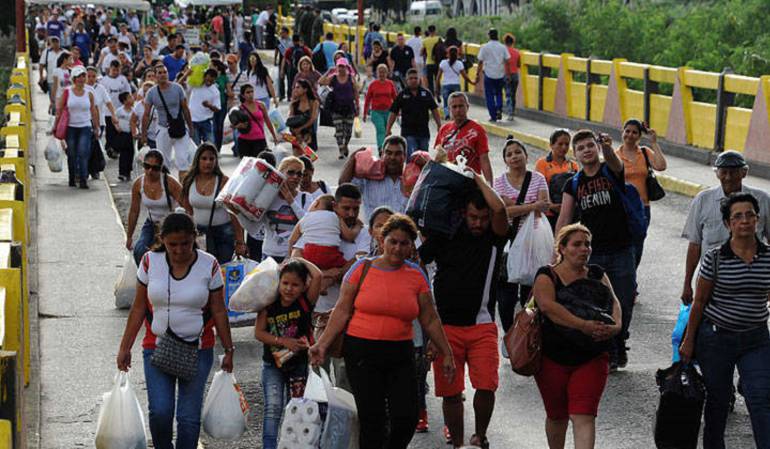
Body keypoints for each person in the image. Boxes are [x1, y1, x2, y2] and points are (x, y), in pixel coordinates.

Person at [310, 214, 456, 449]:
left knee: (406, 418)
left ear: (411, 246)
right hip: (361, 352)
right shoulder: (361, 268)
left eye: (404, 243)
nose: (398, 248)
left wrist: (447, 352)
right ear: (381, 240)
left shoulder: (416, 275)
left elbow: (429, 318)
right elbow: (341, 311)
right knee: (372, 419)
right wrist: (322, 344)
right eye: (393, 241)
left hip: (400, 353)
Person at [116, 212, 235, 449]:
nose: (179, 250)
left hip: (198, 350)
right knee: (160, 411)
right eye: (172, 245)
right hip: (156, 347)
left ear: (195, 238)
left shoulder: (208, 264)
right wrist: (124, 348)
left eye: (185, 244)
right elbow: (139, 308)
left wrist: (229, 349)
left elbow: (219, 310)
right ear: (162, 240)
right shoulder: (150, 261)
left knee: (188, 417)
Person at [419, 175, 509, 449]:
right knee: (451, 393)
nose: (478, 223)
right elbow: (416, 263)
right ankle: (458, 445)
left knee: (486, 386)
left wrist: (477, 179)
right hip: (445, 328)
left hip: (481, 324)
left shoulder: (494, 236)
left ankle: (480, 436)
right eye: (473, 217)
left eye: (482, 217)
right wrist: (428, 320)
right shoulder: (444, 233)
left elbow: (501, 210)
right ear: (464, 213)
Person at [679, 192, 770, 449]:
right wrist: (688, 341)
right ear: (728, 224)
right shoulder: (716, 257)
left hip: (756, 339)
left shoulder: (767, 257)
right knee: (718, 402)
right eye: (737, 216)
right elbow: (699, 302)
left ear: (758, 220)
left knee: (760, 397)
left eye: (750, 215)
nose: (745, 221)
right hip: (716, 339)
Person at [532, 223, 622, 449]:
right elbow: (547, 306)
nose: (584, 249)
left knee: (584, 415)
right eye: (577, 244)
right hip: (552, 358)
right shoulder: (547, 275)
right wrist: (583, 325)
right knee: (557, 415)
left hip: (592, 357)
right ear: (562, 248)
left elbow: (614, 302)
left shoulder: (597, 274)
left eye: (587, 244)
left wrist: (616, 326)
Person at [556, 130, 636, 371]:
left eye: (590, 146)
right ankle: (609, 348)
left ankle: (620, 339)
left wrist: (608, 147)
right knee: (599, 303)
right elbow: (565, 218)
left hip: (622, 249)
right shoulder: (573, 184)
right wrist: (558, 250)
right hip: (592, 254)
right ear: (575, 154)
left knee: (624, 300)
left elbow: (615, 162)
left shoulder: (610, 171)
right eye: (581, 148)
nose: (587, 150)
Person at [292, 183, 370, 392]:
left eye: (356, 208)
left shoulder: (362, 232)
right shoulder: (319, 223)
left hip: (348, 314)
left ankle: (344, 421)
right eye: (346, 208)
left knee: (345, 376)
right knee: (317, 373)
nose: (352, 213)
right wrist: (328, 274)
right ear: (335, 206)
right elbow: (296, 258)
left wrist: (324, 275)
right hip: (317, 311)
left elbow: (357, 266)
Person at [681, 150, 770, 304]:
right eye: (724, 172)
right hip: (711, 281)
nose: (728, 177)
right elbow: (695, 245)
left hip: (751, 281)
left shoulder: (762, 200)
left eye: (734, 172)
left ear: (744, 173)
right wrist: (687, 284)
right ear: (717, 173)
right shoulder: (703, 200)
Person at [255, 258, 323, 449]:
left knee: (296, 410)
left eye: (295, 285)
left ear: (303, 287)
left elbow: (317, 275)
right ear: (279, 282)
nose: (289, 289)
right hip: (272, 365)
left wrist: (297, 259)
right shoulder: (270, 303)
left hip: (298, 366)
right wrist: (283, 341)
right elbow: (259, 333)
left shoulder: (305, 302)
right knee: (272, 409)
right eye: (285, 283)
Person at [493, 137, 550, 331]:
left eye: (518, 152)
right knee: (506, 295)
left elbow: (544, 206)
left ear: (526, 155)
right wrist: (531, 206)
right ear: (505, 160)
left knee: (530, 294)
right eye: (509, 154)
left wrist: (514, 205)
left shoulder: (538, 178)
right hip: (507, 243)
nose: (514, 156)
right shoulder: (499, 182)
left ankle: (527, 334)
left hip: (533, 243)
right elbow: (501, 212)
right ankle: (510, 334)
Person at [180, 143, 246, 264]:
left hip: (223, 234)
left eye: (212, 159)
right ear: (197, 160)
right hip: (199, 234)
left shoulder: (223, 181)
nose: (208, 162)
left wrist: (240, 241)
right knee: (202, 269)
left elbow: (235, 213)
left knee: (222, 269)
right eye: (204, 158)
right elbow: (187, 211)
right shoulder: (189, 180)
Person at [615, 119, 667, 268]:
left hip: (642, 208)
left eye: (634, 132)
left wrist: (654, 142)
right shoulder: (615, 155)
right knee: (622, 245)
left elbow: (661, 166)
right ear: (622, 132)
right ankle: (624, 278)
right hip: (621, 208)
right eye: (627, 131)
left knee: (637, 245)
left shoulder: (644, 152)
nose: (630, 135)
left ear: (639, 136)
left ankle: (631, 276)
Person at [243, 157, 306, 263]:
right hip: (270, 255)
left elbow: (308, 224)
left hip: (295, 256)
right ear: (280, 173)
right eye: (291, 172)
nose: (295, 177)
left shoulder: (305, 198)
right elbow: (253, 229)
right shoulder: (268, 198)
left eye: (299, 174)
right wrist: (238, 213)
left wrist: (291, 201)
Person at [126, 150, 183, 265]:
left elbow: (186, 206)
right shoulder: (138, 184)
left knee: (168, 254)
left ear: (161, 168)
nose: (150, 171)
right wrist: (129, 236)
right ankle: (144, 278)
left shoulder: (170, 183)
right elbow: (134, 211)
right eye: (146, 166)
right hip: (151, 223)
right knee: (139, 250)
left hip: (170, 224)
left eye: (155, 168)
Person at [141, 64, 195, 179]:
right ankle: (166, 188)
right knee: (163, 163)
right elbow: (146, 115)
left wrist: (190, 127)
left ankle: (183, 191)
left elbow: (185, 109)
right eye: (159, 73)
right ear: (155, 76)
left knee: (183, 161)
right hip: (163, 129)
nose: (163, 75)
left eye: (164, 72)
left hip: (180, 128)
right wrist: (144, 134)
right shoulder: (151, 93)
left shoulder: (177, 88)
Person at [52, 65, 101, 189]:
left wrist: (96, 127)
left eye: (83, 76)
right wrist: (55, 125)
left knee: (83, 152)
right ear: (74, 78)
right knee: (72, 153)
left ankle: (83, 179)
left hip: (85, 126)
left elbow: (94, 110)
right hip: (71, 127)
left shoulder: (89, 93)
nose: (81, 79)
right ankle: (72, 177)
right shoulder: (67, 92)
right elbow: (60, 109)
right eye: (78, 77)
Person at [288, 195, 363, 273]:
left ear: (316, 203)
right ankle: (331, 274)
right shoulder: (337, 217)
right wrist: (358, 226)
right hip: (330, 254)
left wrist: (290, 257)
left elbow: (292, 240)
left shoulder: (305, 217)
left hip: (309, 253)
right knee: (344, 268)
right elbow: (349, 236)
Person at [340, 135, 410, 219]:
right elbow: (343, 186)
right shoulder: (368, 177)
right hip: (373, 231)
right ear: (382, 155)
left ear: (405, 156)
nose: (392, 157)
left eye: (398, 153)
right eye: (388, 153)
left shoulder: (413, 180)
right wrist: (353, 157)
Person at [435, 92, 493, 182]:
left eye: (461, 106)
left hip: (469, 182)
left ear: (467, 107)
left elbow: (484, 160)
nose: (458, 110)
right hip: (446, 183)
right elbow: (437, 159)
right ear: (449, 109)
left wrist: (490, 186)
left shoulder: (478, 130)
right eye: (454, 107)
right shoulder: (444, 130)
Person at [386, 68, 441, 158]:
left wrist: (439, 125)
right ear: (406, 80)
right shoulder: (402, 95)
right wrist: (388, 129)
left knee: (423, 158)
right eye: (411, 78)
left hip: (423, 133)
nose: (413, 80)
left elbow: (434, 110)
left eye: (415, 78)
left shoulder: (426, 93)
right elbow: (393, 112)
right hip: (408, 133)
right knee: (412, 156)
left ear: (419, 79)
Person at [536, 129, 579, 230]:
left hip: (570, 214)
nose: (564, 147)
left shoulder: (573, 165)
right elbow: (541, 187)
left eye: (566, 144)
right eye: (560, 144)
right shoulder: (542, 163)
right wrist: (552, 206)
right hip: (549, 215)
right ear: (551, 145)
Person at [319, 60, 359, 159]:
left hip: (349, 108)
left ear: (346, 67)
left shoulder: (351, 78)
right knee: (339, 130)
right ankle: (341, 150)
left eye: (343, 66)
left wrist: (357, 105)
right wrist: (328, 71)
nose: (341, 68)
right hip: (336, 108)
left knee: (348, 132)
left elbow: (356, 91)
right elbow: (320, 82)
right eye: (339, 66)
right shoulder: (333, 78)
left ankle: (345, 145)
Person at [235, 84, 278, 158]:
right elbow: (233, 124)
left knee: (260, 165)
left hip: (259, 140)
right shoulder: (240, 109)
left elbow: (268, 121)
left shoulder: (261, 105)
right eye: (248, 92)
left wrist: (274, 136)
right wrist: (238, 126)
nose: (251, 94)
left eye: (252, 92)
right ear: (243, 95)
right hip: (244, 141)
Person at [476, 29, 510, 122]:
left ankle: (493, 115)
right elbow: (507, 61)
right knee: (499, 93)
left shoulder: (485, 47)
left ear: (489, 36)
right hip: (500, 74)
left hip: (488, 74)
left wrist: (477, 74)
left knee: (489, 95)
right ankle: (499, 108)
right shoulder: (503, 47)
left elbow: (480, 61)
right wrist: (508, 74)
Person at [363, 64, 398, 150]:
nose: (382, 74)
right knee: (381, 129)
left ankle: (388, 148)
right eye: (380, 72)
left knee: (387, 131)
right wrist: (364, 113)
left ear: (387, 73)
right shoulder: (373, 84)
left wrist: (398, 111)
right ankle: (381, 147)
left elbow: (395, 98)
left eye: (384, 72)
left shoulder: (390, 84)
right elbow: (367, 100)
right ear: (377, 73)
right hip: (376, 112)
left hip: (388, 112)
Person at [436, 46, 474, 120]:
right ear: (457, 54)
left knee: (446, 102)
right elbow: (465, 76)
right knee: (457, 102)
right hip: (456, 85)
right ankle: (456, 115)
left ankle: (447, 115)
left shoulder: (443, 63)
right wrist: (472, 82)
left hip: (446, 85)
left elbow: (438, 77)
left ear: (448, 54)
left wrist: (437, 88)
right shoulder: (459, 64)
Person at [188, 68, 221, 146]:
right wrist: (187, 73)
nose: (209, 82)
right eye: (208, 79)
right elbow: (180, 84)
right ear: (204, 76)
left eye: (212, 81)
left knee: (210, 145)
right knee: (195, 146)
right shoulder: (196, 85)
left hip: (206, 121)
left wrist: (209, 106)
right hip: (193, 120)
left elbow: (217, 109)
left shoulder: (215, 91)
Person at [287, 79, 319, 150]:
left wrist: (300, 128)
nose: (295, 90)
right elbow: (290, 118)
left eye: (298, 87)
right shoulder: (294, 104)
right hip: (296, 135)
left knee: (309, 158)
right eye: (295, 87)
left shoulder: (313, 102)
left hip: (309, 134)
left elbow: (313, 118)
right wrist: (296, 132)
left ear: (305, 89)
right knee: (297, 159)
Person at [114, 91, 136, 182]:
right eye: (130, 97)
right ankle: (122, 173)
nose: (132, 99)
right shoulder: (119, 110)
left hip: (131, 134)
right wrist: (117, 127)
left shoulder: (134, 110)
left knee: (131, 153)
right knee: (123, 153)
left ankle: (128, 172)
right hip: (122, 134)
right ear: (124, 101)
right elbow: (114, 119)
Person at [130, 81, 158, 149]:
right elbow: (133, 121)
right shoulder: (139, 105)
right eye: (145, 91)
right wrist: (134, 133)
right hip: (145, 138)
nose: (147, 93)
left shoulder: (160, 104)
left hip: (159, 137)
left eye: (149, 91)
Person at [40, 36, 64, 113]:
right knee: (53, 98)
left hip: (62, 81)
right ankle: (55, 115)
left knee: (62, 99)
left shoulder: (64, 53)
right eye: (53, 42)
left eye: (57, 42)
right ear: (51, 43)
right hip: (51, 80)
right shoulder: (46, 52)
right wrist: (41, 77)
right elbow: (41, 65)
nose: (55, 44)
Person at [503, 33, 521, 121]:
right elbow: (519, 64)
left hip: (507, 75)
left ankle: (510, 113)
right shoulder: (517, 52)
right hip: (515, 75)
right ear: (513, 42)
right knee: (513, 95)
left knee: (508, 95)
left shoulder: (503, 52)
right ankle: (513, 111)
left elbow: (505, 65)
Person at [421, 25, 440, 95]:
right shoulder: (439, 39)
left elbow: (421, 52)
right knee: (437, 79)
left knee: (430, 81)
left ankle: (432, 95)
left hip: (428, 63)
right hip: (437, 63)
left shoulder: (425, 41)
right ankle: (438, 93)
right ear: (435, 31)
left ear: (428, 31)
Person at [274, 27, 292, 101]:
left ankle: (289, 95)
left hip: (289, 62)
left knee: (289, 78)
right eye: (280, 33)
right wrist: (275, 59)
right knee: (281, 78)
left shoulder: (291, 41)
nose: (281, 34)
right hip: (281, 61)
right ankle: (281, 95)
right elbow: (276, 50)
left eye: (282, 33)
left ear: (287, 33)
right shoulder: (279, 41)